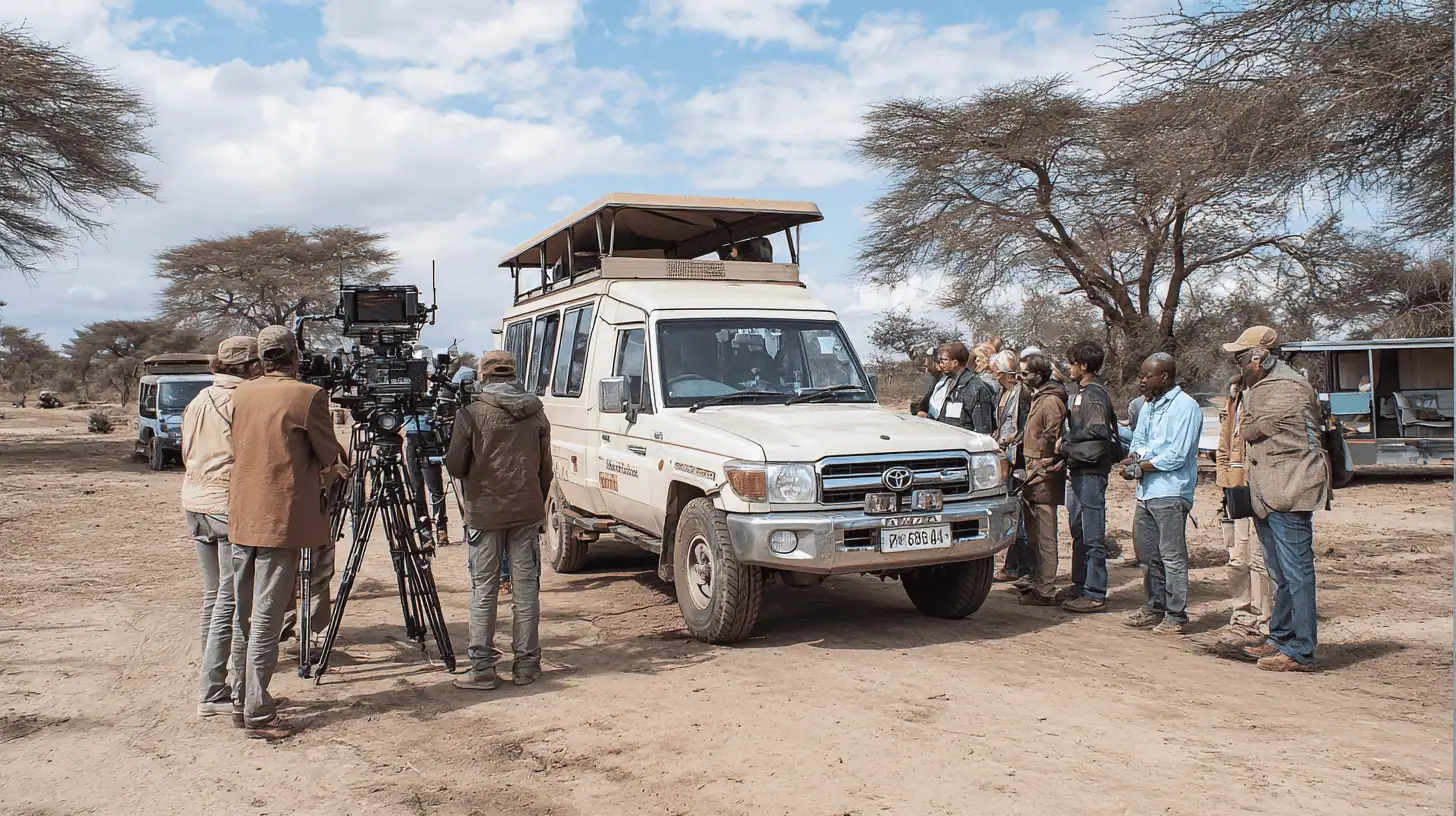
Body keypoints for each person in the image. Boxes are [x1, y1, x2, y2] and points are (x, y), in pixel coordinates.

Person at [228, 326, 346, 738]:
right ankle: (258, 712)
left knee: (245, 612)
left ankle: (242, 697)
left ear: (261, 359)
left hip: (243, 515)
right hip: (282, 518)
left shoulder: (241, 393)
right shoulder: (307, 395)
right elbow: (329, 453)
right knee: (267, 615)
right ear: (296, 356)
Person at [446, 350, 553, 690]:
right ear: (512, 374)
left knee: (484, 591)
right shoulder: (536, 413)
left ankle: (482, 669)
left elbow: (454, 466)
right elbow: (545, 470)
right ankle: (526, 664)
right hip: (526, 510)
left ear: (483, 376)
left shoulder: (470, 415)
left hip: (485, 514)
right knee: (526, 590)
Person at [1226, 326, 1330, 672]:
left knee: (1296, 573)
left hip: (1289, 490)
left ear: (1260, 357)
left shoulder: (1285, 386)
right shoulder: (1262, 385)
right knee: (1278, 572)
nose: (1237, 363)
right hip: (1270, 492)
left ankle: (1301, 649)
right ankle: (1281, 637)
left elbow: (1252, 429)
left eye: (1241, 357)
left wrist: (1244, 399)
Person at [180, 336, 259, 719]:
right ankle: (215, 692)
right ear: (251, 367)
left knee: (214, 596)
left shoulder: (198, 400)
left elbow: (185, 453)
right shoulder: (243, 400)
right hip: (226, 506)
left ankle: (211, 683)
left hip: (194, 502)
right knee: (235, 601)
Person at [1120, 353, 1203, 635]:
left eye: (1147, 375)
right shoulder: (1149, 406)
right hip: (1146, 493)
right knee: (1147, 554)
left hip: (1170, 491)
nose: (1142, 380)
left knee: (1172, 555)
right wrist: (1133, 459)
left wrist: (1141, 467)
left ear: (1164, 377)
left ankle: (1176, 614)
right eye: (1142, 375)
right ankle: (1154, 606)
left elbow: (1177, 455)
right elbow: (1140, 439)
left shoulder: (1186, 407)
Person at [1058, 341, 1118, 613]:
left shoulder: (1093, 395)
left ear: (1084, 366)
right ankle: (1080, 585)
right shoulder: (1081, 392)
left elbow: (1098, 431)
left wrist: (1066, 442)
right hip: (1079, 469)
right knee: (1079, 531)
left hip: (1092, 471)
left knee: (1092, 533)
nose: (1068, 368)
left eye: (1071, 363)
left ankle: (1095, 592)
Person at [1215, 369, 1271, 643]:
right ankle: (1241, 613)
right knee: (1237, 558)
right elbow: (1224, 447)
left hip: (1262, 491)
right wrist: (1225, 485)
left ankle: (1262, 620)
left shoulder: (1266, 402)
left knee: (1259, 561)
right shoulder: (1232, 402)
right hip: (1237, 491)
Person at [1015, 352, 1067, 605]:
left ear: (1039, 374)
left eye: (1025, 373)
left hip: (1043, 475)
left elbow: (1052, 438)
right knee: (1034, 534)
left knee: (1046, 535)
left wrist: (1043, 465)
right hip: (1032, 474)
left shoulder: (1051, 401)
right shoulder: (1038, 397)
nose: (1021, 377)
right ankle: (1037, 581)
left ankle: (1046, 588)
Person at [988, 350, 1032, 584]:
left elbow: (1024, 427)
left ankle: (1022, 566)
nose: (991, 371)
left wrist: (1007, 441)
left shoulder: (1021, 393)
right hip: (1005, 453)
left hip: (1018, 457)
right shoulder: (1002, 392)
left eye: (995, 368)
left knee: (1021, 513)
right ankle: (1014, 565)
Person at [405, 345, 450, 546]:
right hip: (412, 437)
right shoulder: (407, 386)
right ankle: (424, 531)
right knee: (416, 488)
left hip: (429, 437)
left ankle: (441, 527)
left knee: (434, 486)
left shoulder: (435, 385)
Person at [921, 341, 997, 435]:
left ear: (955, 362)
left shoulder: (976, 388)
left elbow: (982, 430)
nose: (941, 364)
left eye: (944, 360)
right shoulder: (946, 384)